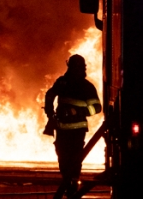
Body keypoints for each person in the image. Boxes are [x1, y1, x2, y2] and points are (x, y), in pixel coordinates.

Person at [44, 55, 102, 199]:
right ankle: (69, 186)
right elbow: (50, 95)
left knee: (75, 162)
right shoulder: (62, 83)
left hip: (77, 131)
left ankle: (72, 190)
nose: (75, 70)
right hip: (62, 130)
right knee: (63, 161)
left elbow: (97, 107)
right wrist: (50, 113)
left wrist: (78, 112)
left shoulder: (86, 87)